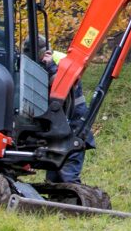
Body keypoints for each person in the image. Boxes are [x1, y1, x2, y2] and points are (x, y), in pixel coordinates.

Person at [27, 35, 95, 184]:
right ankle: (56, 205)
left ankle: (74, 203)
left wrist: (50, 66)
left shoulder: (61, 62)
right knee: (53, 179)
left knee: (68, 176)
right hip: (58, 128)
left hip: (73, 126)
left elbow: (62, 85)